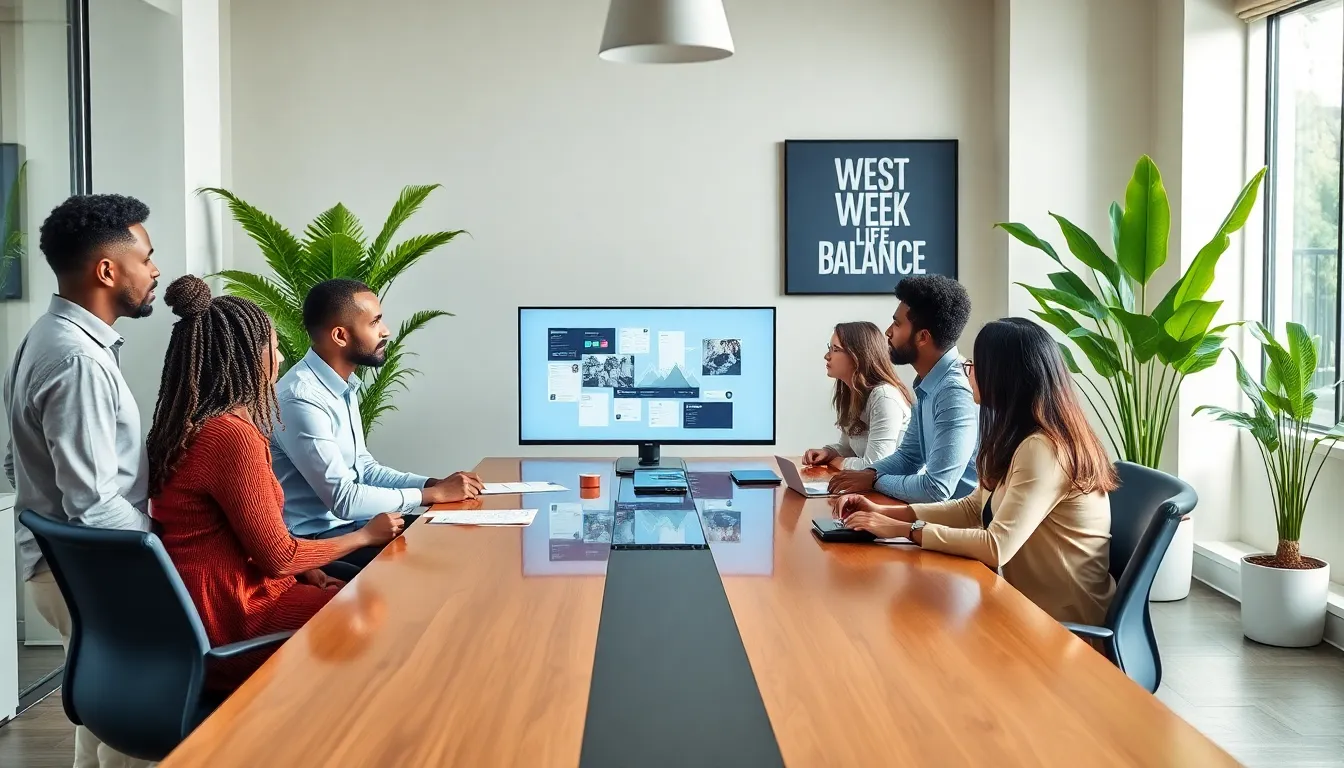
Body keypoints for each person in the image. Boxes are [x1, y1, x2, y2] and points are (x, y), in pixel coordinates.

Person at [147, 276, 405, 690]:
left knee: (371, 601)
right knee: (386, 618)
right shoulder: (231, 437)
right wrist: (365, 536)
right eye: (273, 346)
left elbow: (247, 539)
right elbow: (279, 557)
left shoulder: (190, 426)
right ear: (248, 358)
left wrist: (309, 570)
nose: (282, 357)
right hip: (237, 616)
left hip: (215, 604)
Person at [3, 194, 159, 768]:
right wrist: (169, 550)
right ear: (107, 270)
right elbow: (94, 506)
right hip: (90, 568)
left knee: (100, 722)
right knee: (135, 729)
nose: (155, 271)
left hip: (65, 566)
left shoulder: (45, 338)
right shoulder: (77, 360)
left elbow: (16, 463)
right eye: (146, 257)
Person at [835, 318, 1117, 625]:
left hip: (1063, 628)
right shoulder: (1017, 438)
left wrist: (905, 530)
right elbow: (972, 509)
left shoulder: (1044, 449)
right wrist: (885, 513)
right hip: (1023, 608)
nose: (968, 372)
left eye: (974, 365)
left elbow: (996, 546)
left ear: (1003, 377)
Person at [272, 278, 482, 568]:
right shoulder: (301, 398)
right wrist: (431, 495)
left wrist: (432, 484)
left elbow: (365, 469)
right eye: (374, 322)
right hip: (325, 544)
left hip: (360, 527)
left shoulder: (340, 386)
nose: (386, 331)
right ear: (340, 336)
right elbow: (344, 499)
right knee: (441, 564)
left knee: (463, 540)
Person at [828, 275, 978, 502]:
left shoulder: (954, 392)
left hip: (960, 518)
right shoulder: (929, 382)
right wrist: (869, 473)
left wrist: (874, 481)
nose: (888, 332)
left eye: (897, 324)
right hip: (933, 513)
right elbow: (909, 457)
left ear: (923, 337)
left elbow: (937, 489)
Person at [803, 321, 913, 471]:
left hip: (893, 484)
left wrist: (839, 462)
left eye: (835, 349)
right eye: (829, 348)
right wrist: (828, 453)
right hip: (872, 484)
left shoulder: (884, 397)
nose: (827, 356)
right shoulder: (853, 393)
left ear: (857, 357)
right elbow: (848, 447)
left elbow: (875, 467)